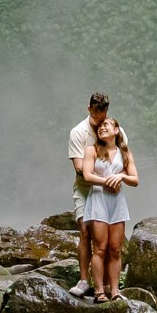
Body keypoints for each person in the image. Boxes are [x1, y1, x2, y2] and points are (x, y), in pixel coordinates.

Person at [68, 93, 125, 297]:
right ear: (89, 109)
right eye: (96, 115)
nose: (100, 122)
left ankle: (110, 285)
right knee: (85, 231)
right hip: (85, 189)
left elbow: (124, 156)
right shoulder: (78, 132)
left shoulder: (113, 128)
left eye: (104, 116)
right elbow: (79, 168)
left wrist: (118, 177)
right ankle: (84, 280)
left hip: (108, 192)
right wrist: (99, 172)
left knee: (109, 241)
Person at [77, 115, 138, 301]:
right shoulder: (92, 150)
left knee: (115, 249)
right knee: (100, 248)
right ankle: (99, 292)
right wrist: (107, 181)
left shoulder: (125, 152)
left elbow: (135, 179)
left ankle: (115, 291)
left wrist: (121, 177)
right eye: (100, 126)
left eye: (107, 125)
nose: (102, 127)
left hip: (117, 203)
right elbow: (87, 175)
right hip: (97, 200)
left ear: (116, 130)